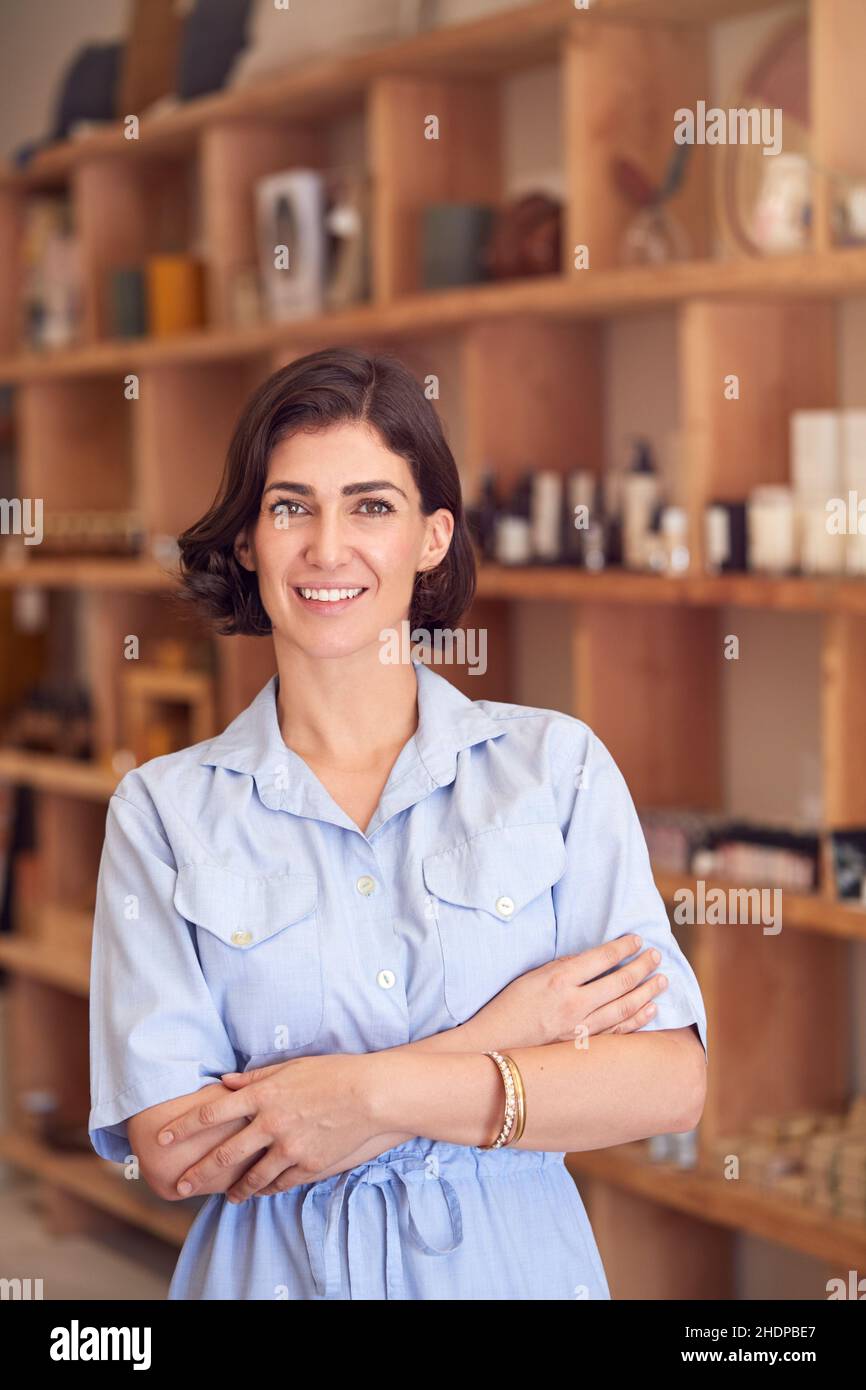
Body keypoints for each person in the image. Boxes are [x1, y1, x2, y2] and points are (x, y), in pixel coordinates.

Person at [88, 346, 708, 1301]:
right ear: (249, 540)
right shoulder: (165, 812)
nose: (328, 548)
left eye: (372, 505)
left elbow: (666, 1081)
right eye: (291, 505)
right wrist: (510, 1033)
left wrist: (363, 1096)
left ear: (431, 537)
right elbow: (175, 1153)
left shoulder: (556, 769)